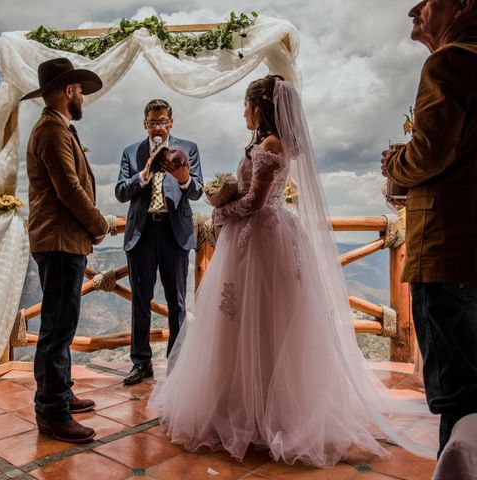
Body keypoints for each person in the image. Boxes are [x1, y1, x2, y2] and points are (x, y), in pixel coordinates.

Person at [150, 75, 437, 466]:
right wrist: (226, 192)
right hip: (251, 239)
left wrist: (221, 210)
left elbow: (255, 201)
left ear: (261, 108)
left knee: (265, 320)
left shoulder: (271, 144)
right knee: (239, 321)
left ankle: (267, 411)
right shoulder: (259, 143)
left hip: (263, 238)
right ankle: (237, 405)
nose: (242, 111)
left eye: (246, 105)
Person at [382, 0, 477, 457]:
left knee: (458, 394)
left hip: (449, 248)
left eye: (425, 1)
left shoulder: (451, 60)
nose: (413, 11)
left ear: (463, 6)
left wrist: (395, 164)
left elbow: (429, 155)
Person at [23, 58, 109, 444]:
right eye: (80, 92)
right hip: (59, 241)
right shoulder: (52, 130)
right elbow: (69, 188)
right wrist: (100, 224)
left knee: (62, 323)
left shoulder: (57, 127)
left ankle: (62, 392)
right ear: (68, 90)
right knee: (57, 329)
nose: (83, 99)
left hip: (62, 241)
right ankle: (52, 412)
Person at [115, 99, 203, 385]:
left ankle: (177, 366)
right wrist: (143, 174)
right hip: (142, 235)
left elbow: (197, 191)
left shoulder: (188, 149)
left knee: (176, 303)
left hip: (173, 233)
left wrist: (184, 179)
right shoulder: (132, 152)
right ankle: (141, 364)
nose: (158, 127)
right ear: (145, 124)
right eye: (153, 122)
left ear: (171, 122)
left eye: (163, 121)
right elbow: (120, 192)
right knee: (140, 301)